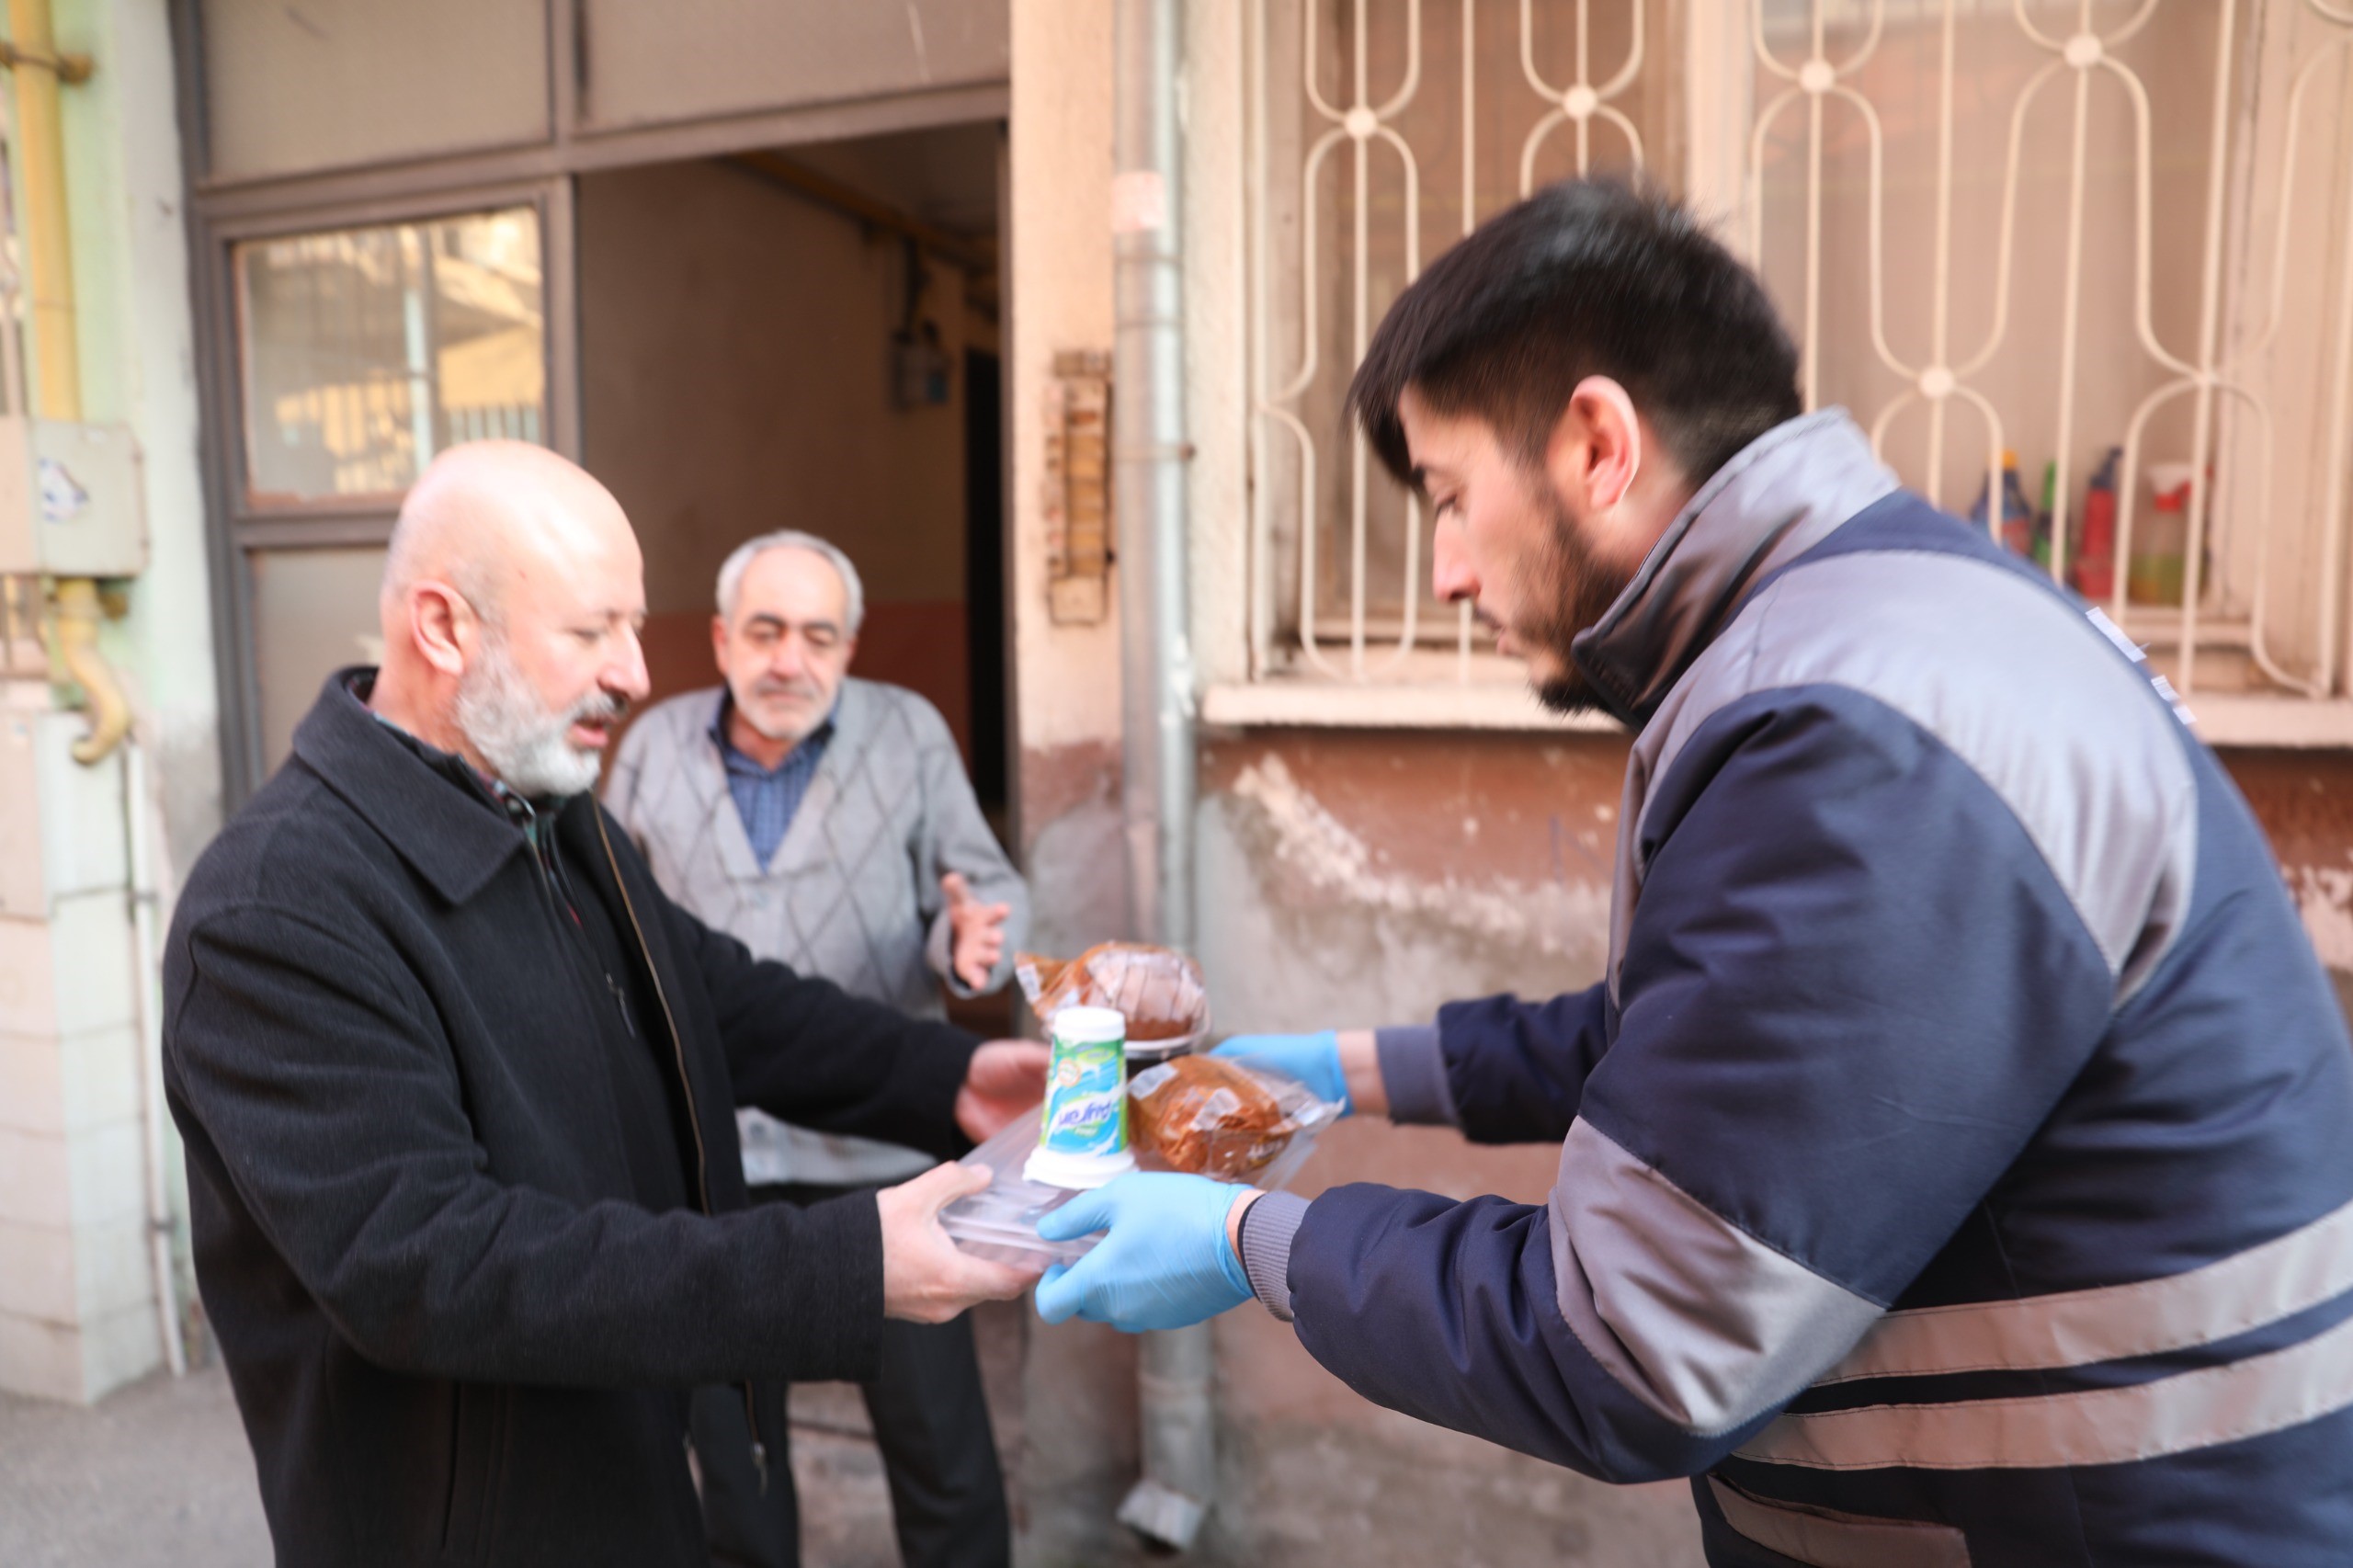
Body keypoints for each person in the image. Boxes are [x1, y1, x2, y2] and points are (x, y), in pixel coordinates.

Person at [1032, 180, 2353, 1562]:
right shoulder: (1872, 634)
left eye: (1449, 497)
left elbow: (1630, 1342)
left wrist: (1251, 1240)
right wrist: (1332, 1069)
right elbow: (1709, 1053)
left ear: (1597, 445)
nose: (1445, 574)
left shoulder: (1852, 732)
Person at [161, 442, 1048, 1568]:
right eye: (591, 631)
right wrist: (844, 1263)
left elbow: (706, 992)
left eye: (632, 623)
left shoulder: (546, 808)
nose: (634, 671)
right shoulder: (274, 906)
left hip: (630, 1469)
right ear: (444, 627)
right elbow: (432, 1263)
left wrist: (945, 1076)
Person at [605, 529, 1029, 1568]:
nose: (789, 659)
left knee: (942, 1455)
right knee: (737, 1466)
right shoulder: (653, 747)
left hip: (885, 1157)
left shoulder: (907, 731)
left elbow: (983, 889)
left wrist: (969, 949)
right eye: (764, 631)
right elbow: (611, 927)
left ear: (849, 646)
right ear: (720, 639)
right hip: (713, 1162)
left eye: (817, 635)